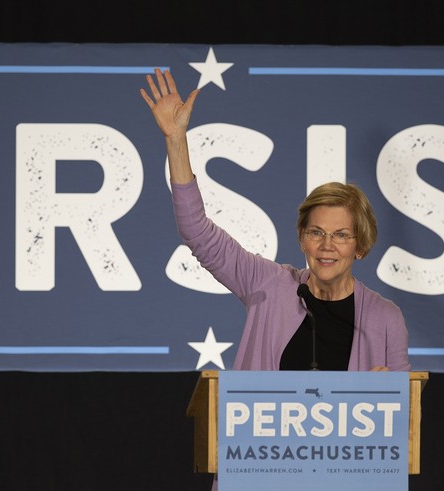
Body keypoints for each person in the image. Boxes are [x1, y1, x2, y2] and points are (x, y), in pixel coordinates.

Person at [141, 68, 410, 373]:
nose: (326, 246)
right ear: (302, 238)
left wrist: (387, 393)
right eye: (316, 232)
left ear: (360, 246)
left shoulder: (386, 318)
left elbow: (405, 410)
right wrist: (176, 141)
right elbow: (196, 231)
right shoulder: (270, 286)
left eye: (342, 235)